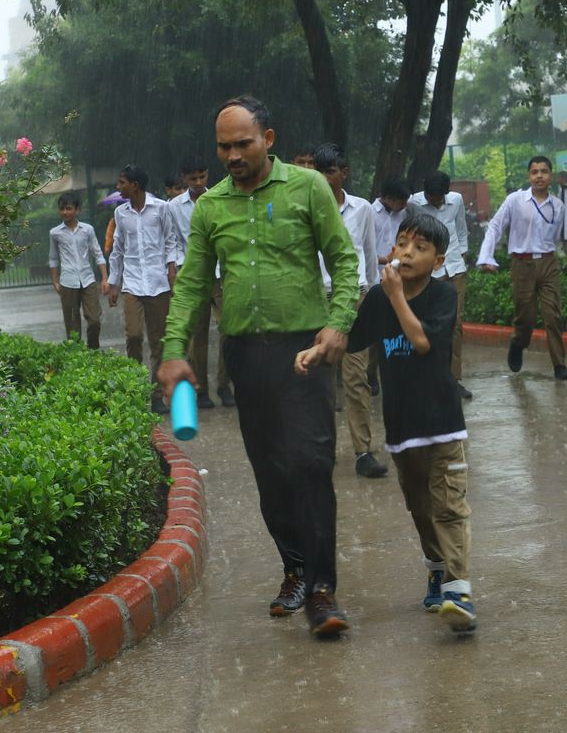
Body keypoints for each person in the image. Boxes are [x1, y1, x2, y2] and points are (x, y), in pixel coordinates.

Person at [158, 97, 359, 637]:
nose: (232, 155)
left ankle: (321, 589)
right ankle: (295, 567)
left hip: (304, 350)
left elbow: (344, 259)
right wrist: (174, 350)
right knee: (271, 472)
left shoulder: (308, 187)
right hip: (246, 354)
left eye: (242, 144)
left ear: (268, 139)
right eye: (223, 147)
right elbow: (193, 285)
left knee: (311, 463)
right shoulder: (211, 207)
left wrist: (339, 322)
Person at [295, 211, 477, 633]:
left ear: (438, 260)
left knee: (449, 506)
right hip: (402, 429)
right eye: (403, 243)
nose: (408, 252)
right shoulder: (378, 298)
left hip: (443, 423)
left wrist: (395, 296)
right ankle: (437, 568)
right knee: (421, 509)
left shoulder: (442, 296)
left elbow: (422, 342)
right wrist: (315, 350)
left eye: (420, 247)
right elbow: (349, 339)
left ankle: (459, 590)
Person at [312, 143, 385, 479]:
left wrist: (369, 294)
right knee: (319, 379)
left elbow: (368, 252)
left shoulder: (362, 209)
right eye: (319, 171)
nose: (324, 178)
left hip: (354, 297)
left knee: (356, 379)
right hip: (316, 299)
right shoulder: (305, 206)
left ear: (344, 173)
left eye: (330, 171)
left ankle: (363, 451)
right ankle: (320, 449)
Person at [478, 156, 567, 381]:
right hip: (522, 264)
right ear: (529, 176)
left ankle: (559, 365)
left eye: (544, 171)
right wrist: (486, 256)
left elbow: (558, 237)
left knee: (553, 316)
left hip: (549, 263)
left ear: (551, 175)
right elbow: (495, 226)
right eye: (534, 172)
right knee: (525, 318)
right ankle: (518, 343)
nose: (539, 176)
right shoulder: (515, 200)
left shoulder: (558, 206)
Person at [108, 165, 181, 412]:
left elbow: (170, 240)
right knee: (134, 336)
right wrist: (114, 283)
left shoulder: (161, 208)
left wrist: (171, 268)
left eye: (122, 183)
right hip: (132, 283)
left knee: (158, 341)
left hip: (158, 283)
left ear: (135, 185)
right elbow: (118, 248)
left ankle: (157, 395)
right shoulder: (120, 213)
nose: (118, 187)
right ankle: (136, 390)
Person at [168, 156, 234, 409]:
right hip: (193, 273)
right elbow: (173, 240)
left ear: (207, 175)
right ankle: (201, 390)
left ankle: (224, 385)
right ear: (184, 178)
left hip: (219, 273)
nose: (198, 182)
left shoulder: (218, 198)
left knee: (228, 329)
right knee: (198, 336)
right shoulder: (174, 206)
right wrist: (175, 269)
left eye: (202, 177)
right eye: (193, 178)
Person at [409, 171, 472, 399]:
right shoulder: (413, 204)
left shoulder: (456, 200)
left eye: (438, 198)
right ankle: (427, 377)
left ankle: (453, 379)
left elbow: (461, 229)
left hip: (454, 268)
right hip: (428, 273)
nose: (434, 201)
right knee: (427, 324)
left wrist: (462, 255)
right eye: (431, 197)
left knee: (455, 324)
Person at [48, 191, 109, 348]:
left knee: (94, 320)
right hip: (67, 282)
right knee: (72, 327)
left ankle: (93, 350)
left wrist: (104, 278)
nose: (64, 212)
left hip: (88, 280)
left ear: (77, 210)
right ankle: (76, 356)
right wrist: (55, 282)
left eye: (68, 208)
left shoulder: (87, 230)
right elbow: (53, 258)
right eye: (61, 209)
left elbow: (97, 254)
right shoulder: (55, 233)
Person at [369, 178, 411, 395]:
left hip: (398, 276)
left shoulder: (403, 214)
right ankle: (370, 373)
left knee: (396, 326)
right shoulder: (369, 213)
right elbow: (362, 248)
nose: (404, 205)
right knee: (376, 328)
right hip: (375, 277)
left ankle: (394, 370)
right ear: (387, 198)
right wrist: (382, 259)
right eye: (400, 201)